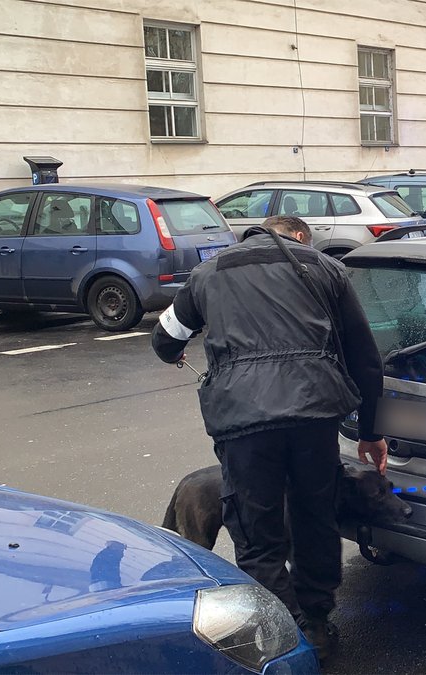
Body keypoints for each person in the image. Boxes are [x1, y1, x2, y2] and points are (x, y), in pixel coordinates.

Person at [151, 215, 386, 659]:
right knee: (315, 516)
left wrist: (176, 350)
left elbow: (165, 338)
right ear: (298, 236)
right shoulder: (325, 268)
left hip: (243, 424)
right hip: (314, 415)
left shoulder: (208, 272)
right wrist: (371, 433)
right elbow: (364, 357)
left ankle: (281, 632)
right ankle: (315, 621)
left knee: (257, 531)